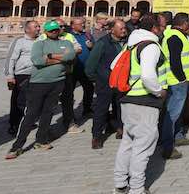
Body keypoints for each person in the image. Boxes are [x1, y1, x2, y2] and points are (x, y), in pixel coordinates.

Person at [113, 14, 169, 194]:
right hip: (145, 101)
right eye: (162, 26)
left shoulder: (131, 44)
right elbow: (147, 75)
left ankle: (120, 184)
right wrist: (159, 91)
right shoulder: (151, 46)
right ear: (154, 28)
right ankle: (137, 188)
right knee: (143, 148)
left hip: (128, 99)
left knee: (128, 143)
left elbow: (114, 66)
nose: (164, 29)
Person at [6, 20, 76, 160]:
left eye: (56, 29)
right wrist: (60, 58)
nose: (54, 32)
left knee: (48, 112)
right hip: (39, 83)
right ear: (46, 32)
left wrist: (49, 56)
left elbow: (70, 56)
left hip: (58, 81)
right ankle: (17, 145)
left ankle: (41, 140)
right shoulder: (39, 43)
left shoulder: (66, 43)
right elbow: (37, 60)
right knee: (31, 114)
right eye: (51, 30)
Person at [86, 19, 127, 149]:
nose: (124, 31)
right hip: (105, 82)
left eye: (124, 28)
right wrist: (97, 79)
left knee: (120, 107)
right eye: (121, 28)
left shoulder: (127, 42)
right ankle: (97, 136)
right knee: (101, 109)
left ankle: (119, 128)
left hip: (121, 82)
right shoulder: (102, 43)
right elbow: (90, 65)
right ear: (112, 30)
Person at [159, 12, 189, 159]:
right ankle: (167, 147)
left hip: (180, 81)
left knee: (178, 112)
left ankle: (178, 136)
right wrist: (182, 78)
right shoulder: (174, 37)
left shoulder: (178, 35)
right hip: (177, 82)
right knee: (172, 114)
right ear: (184, 23)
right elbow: (175, 62)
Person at [4, 20, 40, 136]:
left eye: (38, 26)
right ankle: (14, 124)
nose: (38, 28)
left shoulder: (40, 40)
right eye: (35, 27)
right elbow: (10, 58)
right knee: (19, 101)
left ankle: (28, 121)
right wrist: (10, 76)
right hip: (22, 75)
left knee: (33, 100)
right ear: (27, 29)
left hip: (37, 74)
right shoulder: (19, 41)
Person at [69, 17, 95, 118]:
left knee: (89, 89)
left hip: (85, 68)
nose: (83, 25)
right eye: (80, 24)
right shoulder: (69, 36)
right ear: (73, 26)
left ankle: (87, 109)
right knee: (69, 92)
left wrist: (91, 46)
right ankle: (70, 114)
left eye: (83, 23)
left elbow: (94, 48)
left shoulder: (87, 35)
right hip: (72, 68)